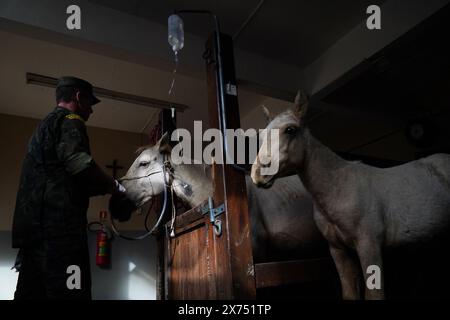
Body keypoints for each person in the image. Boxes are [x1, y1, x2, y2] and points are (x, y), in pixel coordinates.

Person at [12, 76, 126, 299]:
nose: (91, 112)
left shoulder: (44, 126)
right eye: (90, 104)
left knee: (31, 294)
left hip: (33, 235)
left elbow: (65, 179)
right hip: (62, 234)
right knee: (73, 291)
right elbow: (78, 163)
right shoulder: (71, 119)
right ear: (78, 97)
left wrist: (101, 187)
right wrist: (115, 186)